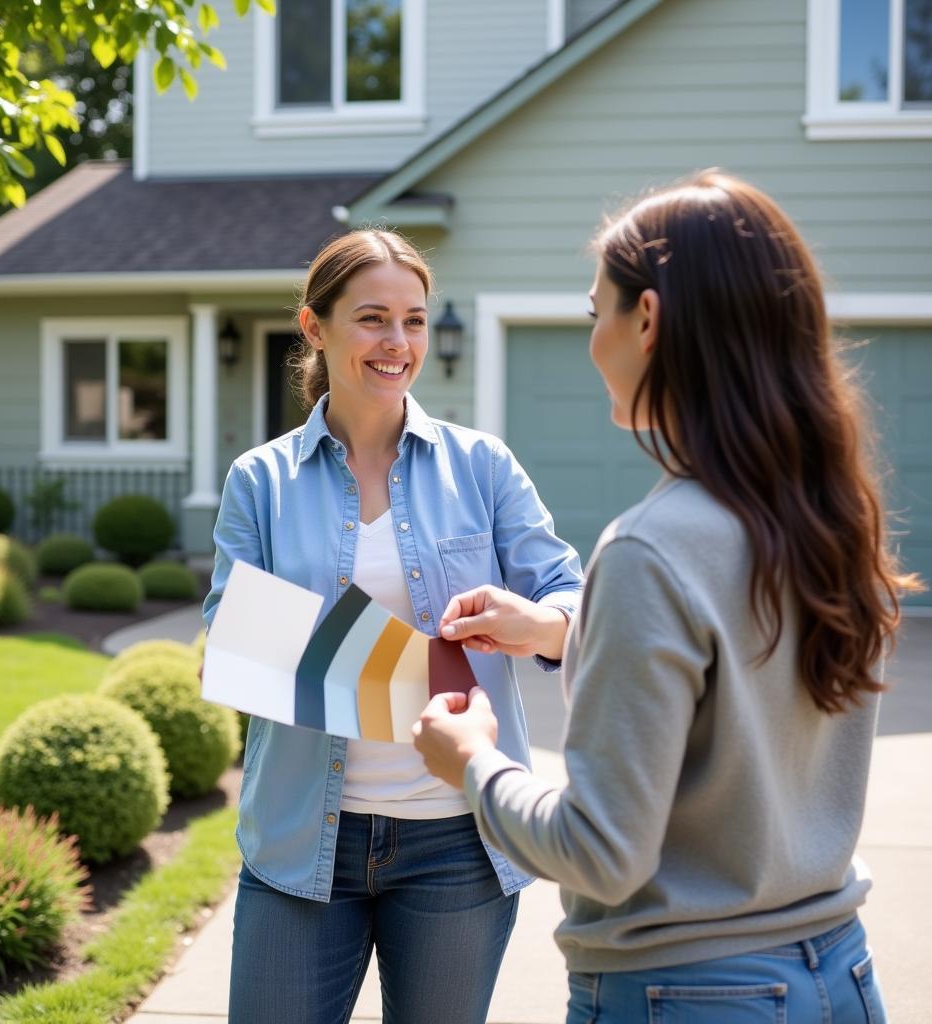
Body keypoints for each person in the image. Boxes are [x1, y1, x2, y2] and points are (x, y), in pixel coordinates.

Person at [413, 171, 921, 1023]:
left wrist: (473, 761)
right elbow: (736, 696)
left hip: (686, 993)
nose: (590, 341)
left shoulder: (652, 547)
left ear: (646, 319)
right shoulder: (825, 516)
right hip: (838, 978)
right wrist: (556, 630)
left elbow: (599, 851)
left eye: (593, 312)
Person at [204, 228, 584, 1024]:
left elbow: (573, 601)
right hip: (301, 842)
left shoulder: (482, 466)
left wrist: (535, 624)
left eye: (413, 320)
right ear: (315, 327)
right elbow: (231, 633)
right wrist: (413, 676)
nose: (397, 342)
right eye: (373, 317)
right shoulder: (261, 481)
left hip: (457, 845)